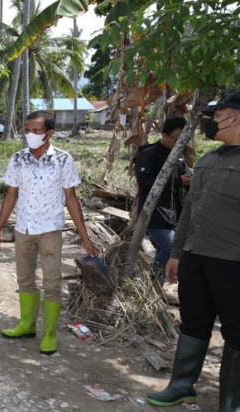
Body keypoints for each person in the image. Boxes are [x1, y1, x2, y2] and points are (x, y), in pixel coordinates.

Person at [147, 93, 240, 411]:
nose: (212, 123)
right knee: (193, 323)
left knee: (236, 331)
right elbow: (189, 211)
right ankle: (181, 385)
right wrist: (176, 252)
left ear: (236, 118)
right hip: (196, 257)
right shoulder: (208, 160)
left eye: (218, 116)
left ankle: (231, 401)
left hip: (233, 261)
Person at [0, 110, 96, 356]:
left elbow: (71, 199)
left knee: (52, 283)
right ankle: (27, 325)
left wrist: (85, 237)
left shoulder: (62, 159)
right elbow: (10, 196)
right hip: (23, 228)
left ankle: (49, 333)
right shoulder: (18, 159)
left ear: (50, 133)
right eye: (28, 130)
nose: (30, 135)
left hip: (50, 229)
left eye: (36, 131)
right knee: (24, 280)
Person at [134, 117, 189, 283]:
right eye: (176, 139)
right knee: (169, 245)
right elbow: (144, 183)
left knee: (177, 249)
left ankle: (165, 280)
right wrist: (178, 181)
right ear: (164, 135)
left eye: (183, 140)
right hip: (155, 213)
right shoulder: (148, 155)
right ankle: (155, 282)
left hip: (176, 212)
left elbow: (184, 179)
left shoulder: (179, 156)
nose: (180, 143)